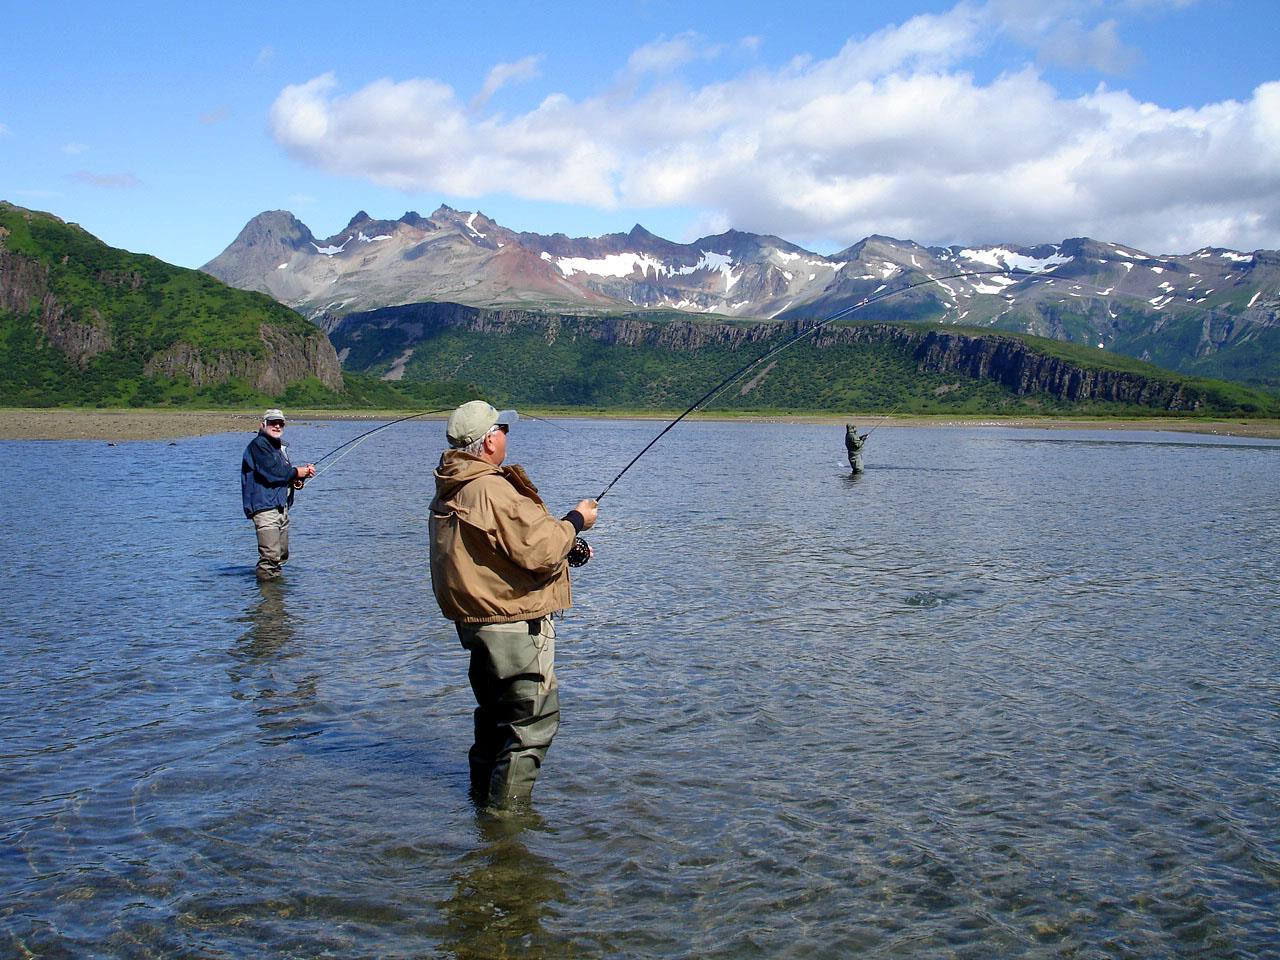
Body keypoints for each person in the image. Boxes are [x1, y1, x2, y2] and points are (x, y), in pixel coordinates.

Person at [429, 400, 598, 809]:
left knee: (493, 721)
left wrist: (563, 544)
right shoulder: (490, 488)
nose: (506, 435)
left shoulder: (454, 486)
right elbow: (540, 549)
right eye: (502, 429)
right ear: (488, 441)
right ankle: (508, 827)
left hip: (478, 626)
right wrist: (576, 521)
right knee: (532, 724)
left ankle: (481, 807)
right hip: (513, 629)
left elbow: (503, 549)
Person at [241, 408, 315, 580]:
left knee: (281, 555)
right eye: (272, 423)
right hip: (264, 508)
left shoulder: (277, 448)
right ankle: (268, 602)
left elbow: (282, 475)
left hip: (281, 507)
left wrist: (297, 478)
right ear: (262, 425)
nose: (276, 426)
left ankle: (276, 598)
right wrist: (298, 472)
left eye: (280, 423)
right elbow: (273, 473)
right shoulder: (258, 445)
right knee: (270, 557)